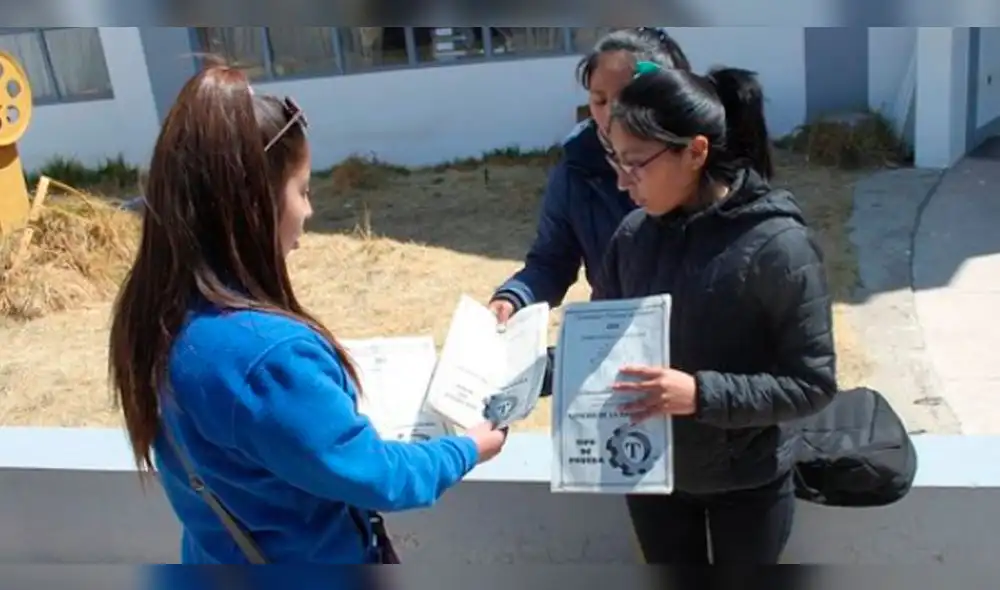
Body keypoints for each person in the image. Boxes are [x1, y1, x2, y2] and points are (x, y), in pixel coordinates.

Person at [107, 66, 508, 564]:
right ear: (253, 205)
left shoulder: (158, 314)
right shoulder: (265, 357)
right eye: (302, 189)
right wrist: (468, 447)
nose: (308, 211)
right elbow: (379, 477)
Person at [597, 60, 837, 564]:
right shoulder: (632, 239)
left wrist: (700, 394)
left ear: (695, 152)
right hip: (650, 474)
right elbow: (602, 344)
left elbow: (812, 383)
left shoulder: (778, 247)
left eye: (636, 163)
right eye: (615, 160)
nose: (623, 182)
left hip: (748, 484)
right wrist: (528, 368)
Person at [487, 28, 691, 324]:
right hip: (614, 334)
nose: (609, 115)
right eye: (599, 100)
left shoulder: (693, 164)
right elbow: (552, 260)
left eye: (623, 100)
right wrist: (513, 297)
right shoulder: (575, 173)